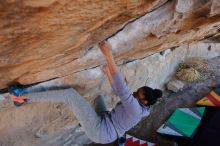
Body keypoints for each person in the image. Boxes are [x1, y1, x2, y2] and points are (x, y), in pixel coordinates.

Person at [10, 41, 162, 144]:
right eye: (136, 91)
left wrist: (108, 55)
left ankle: (21, 97)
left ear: (145, 102)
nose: (134, 93)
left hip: (100, 132)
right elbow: (118, 91)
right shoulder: (142, 107)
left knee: (70, 95)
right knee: (99, 98)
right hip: (106, 121)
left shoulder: (135, 109)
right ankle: (83, 116)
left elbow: (122, 89)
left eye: (137, 94)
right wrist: (108, 74)